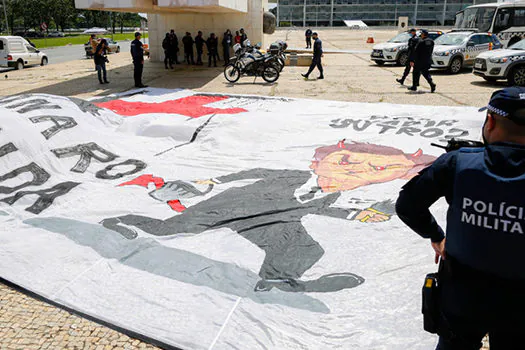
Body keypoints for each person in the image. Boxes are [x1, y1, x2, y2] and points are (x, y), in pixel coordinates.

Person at [102, 140, 434, 293]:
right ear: (318, 161)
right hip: (232, 207)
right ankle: (121, 220)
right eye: (346, 162)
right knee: (170, 229)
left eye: (373, 171)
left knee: (308, 250)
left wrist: (358, 215)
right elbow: (252, 171)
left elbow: (326, 208)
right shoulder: (289, 175)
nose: (355, 173)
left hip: (274, 222)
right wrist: (211, 183)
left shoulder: (333, 194)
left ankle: (275, 278)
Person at [396, 87, 525, 349]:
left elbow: (408, 205)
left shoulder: (458, 163)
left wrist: (436, 236)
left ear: (490, 121)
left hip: (462, 296)